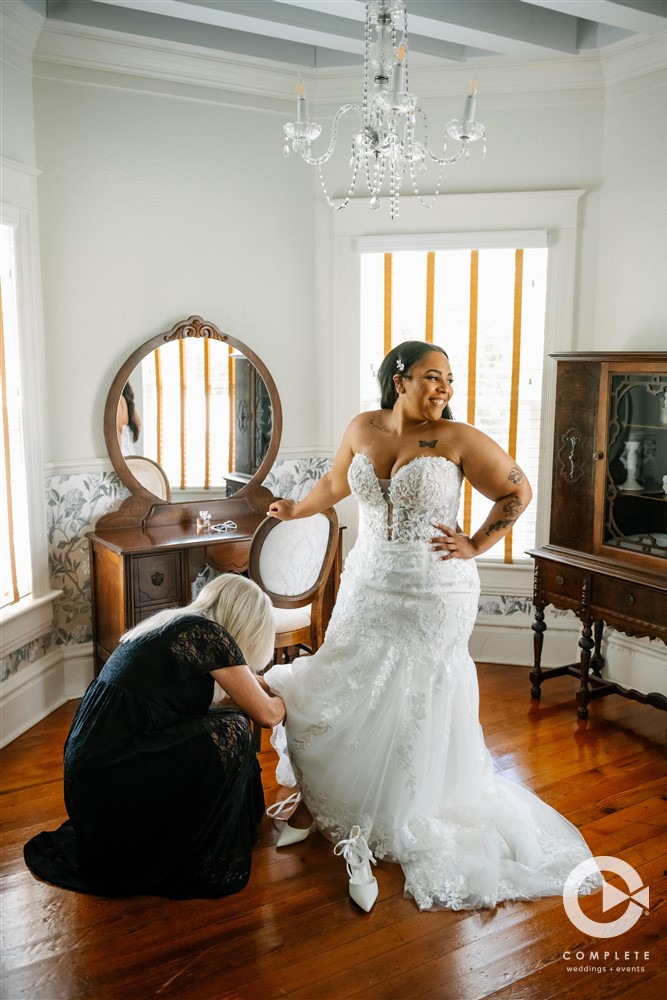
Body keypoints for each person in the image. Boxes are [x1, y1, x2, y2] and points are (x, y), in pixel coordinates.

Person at [264, 340, 601, 912]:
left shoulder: (459, 440)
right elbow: (335, 485)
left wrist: (475, 544)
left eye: (449, 379)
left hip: (433, 589)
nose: (444, 388)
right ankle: (321, 802)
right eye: (431, 376)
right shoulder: (363, 428)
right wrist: (295, 509)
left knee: (414, 694)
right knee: (341, 684)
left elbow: (517, 490)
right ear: (399, 380)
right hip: (368, 584)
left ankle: (401, 810)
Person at [24, 575, 285, 899]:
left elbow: (245, 684)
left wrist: (272, 684)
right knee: (233, 730)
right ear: (245, 623)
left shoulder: (174, 624)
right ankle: (198, 845)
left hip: (93, 770)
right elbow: (268, 715)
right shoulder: (209, 636)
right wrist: (296, 695)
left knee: (230, 719)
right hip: (114, 775)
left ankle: (223, 825)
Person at [117, 381, 141, 456]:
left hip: (122, 458)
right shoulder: (127, 403)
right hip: (131, 456)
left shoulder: (119, 400)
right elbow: (138, 424)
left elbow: (117, 443)